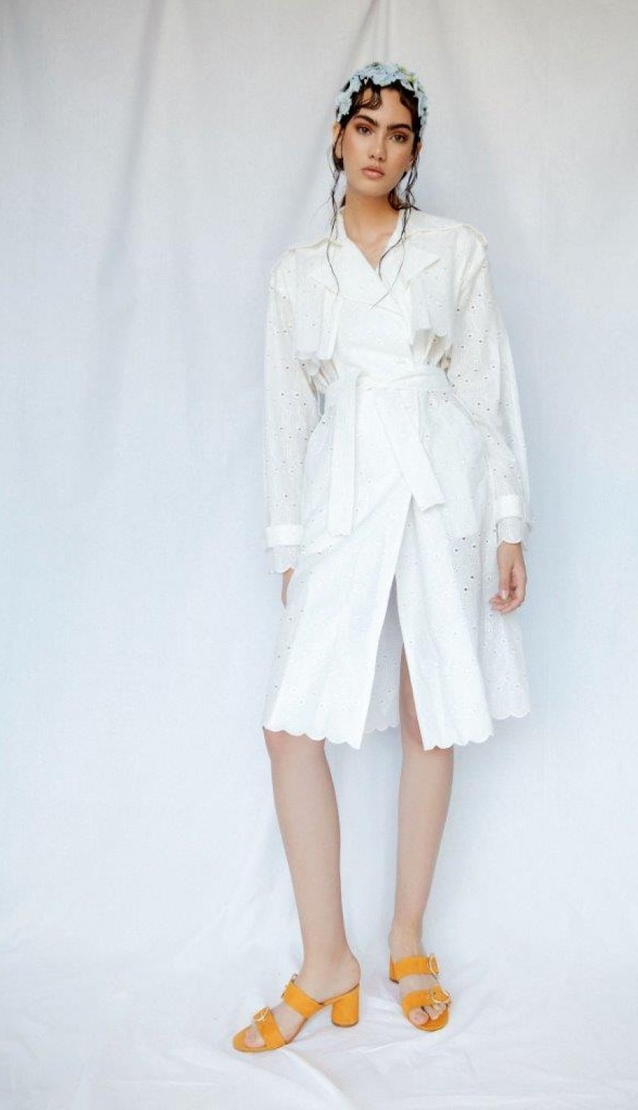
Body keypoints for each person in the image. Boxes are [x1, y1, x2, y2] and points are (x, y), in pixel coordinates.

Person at [233, 60, 532, 1053]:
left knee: (429, 705)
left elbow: (486, 389)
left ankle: (406, 937)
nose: (379, 147)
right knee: (289, 727)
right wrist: (290, 539)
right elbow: (286, 414)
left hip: (440, 479)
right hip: (341, 488)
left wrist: (507, 522)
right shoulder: (298, 274)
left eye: (399, 133)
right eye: (364, 126)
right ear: (336, 136)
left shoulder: (453, 251)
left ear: (414, 150)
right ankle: (326, 957)